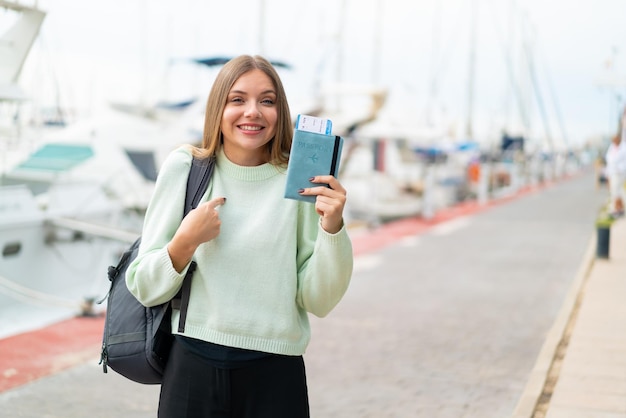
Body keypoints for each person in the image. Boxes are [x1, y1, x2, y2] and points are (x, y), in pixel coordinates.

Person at [126, 55, 353, 417]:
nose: (253, 112)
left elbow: (319, 300)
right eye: (237, 100)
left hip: (276, 371)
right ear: (218, 108)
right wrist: (185, 242)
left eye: (267, 100)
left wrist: (332, 228)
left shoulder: (302, 185)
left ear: (281, 111)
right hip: (191, 367)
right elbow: (144, 285)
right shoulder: (186, 168)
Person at [604, 108, 626, 216]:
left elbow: (622, 161)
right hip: (613, 172)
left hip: (619, 172)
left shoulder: (623, 148)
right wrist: (607, 173)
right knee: (616, 191)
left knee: (617, 191)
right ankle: (617, 208)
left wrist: (619, 169)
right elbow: (609, 162)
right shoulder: (612, 148)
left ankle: (617, 208)